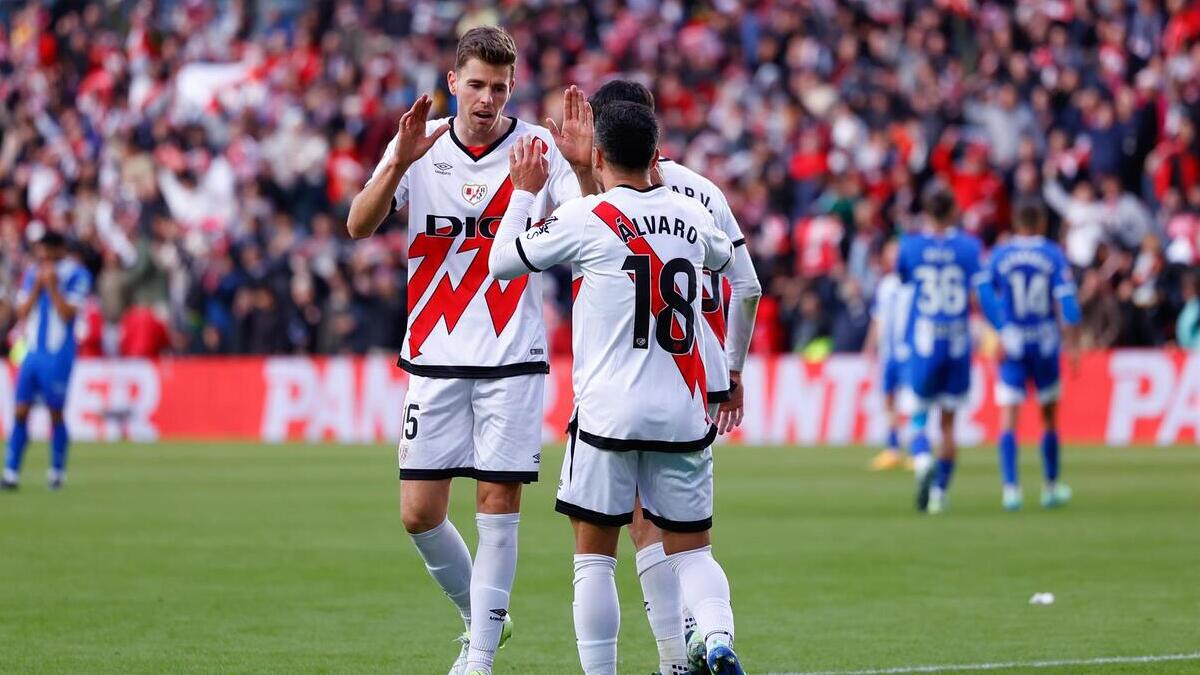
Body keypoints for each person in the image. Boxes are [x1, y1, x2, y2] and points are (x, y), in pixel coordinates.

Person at [345, 27, 592, 675]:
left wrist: (585, 170)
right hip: (433, 351)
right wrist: (397, 162)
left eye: (500, 88)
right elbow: (358, 224)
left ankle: (478, 654)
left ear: (513, 89)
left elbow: (595, 222)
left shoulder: (538, 147)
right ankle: (485, 617)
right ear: (453, 82)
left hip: (512, 354)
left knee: (496, 505)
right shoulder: (419, 148)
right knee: (419, 513)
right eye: (476, 85)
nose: (487, 99)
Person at [489, 103, 746, 675]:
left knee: (594, 560)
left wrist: (525, 192)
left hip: (607, 414)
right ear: (657, 157)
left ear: (598, 156)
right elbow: (726, 259)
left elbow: (504, 263)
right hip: (682, 412)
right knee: (694, 550)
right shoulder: (690, 213)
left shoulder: (586, 217)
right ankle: (720, 638)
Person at [585, 79, 761, 675]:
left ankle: (673, 658)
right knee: (688, 537)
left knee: (636, 530)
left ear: (601, 138)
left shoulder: (595, 195)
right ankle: (702, 638)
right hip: (697, 380)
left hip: (621, 380)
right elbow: (749, 284)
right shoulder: (701, 192)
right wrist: (731, 369)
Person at [897, 185, 1000, 514]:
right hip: (957, 342)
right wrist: (1000, 329)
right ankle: (940, 492)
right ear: (954, 211)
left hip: (925, 340)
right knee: (948, 425)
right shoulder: (970, 247)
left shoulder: (910, 246)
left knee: (918, 416)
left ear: (926, 213)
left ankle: (923, 458)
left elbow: (902, 279)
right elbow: (982, 294)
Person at [987, 202, 1081, 510]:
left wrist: (999, 331)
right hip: (1043, 343)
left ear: (1015, 222)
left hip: (1013, 342)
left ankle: (1010, 489)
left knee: (1008, 419)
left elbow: (985, 296)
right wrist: (1073, 345)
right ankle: (1050, 487)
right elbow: (1067, 303)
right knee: (1049, 418)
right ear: (1040, 222)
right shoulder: (1052, 254)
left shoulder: (1000, 255)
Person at [4, 231, 93, 491]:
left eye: (46, 249)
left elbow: (68, 315)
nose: (42, 255)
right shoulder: (32, 274)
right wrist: (36, 288)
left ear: (58, 249)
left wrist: (53, 287)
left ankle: (56, 472)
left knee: (55, 413)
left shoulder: (77, 274)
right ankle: (11, 472)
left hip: (58, 355)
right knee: (20, 411)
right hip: (32, 353)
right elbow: (21, 312)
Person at [865, 239, 913, 471]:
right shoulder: (885, 285)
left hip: (909, 352)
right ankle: (893, 448)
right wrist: (870, 346)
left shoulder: (912, 284)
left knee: (912, 402)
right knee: (889, 399)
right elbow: (878, 318)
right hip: (889, 353)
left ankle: (916, 449)